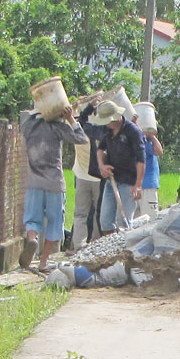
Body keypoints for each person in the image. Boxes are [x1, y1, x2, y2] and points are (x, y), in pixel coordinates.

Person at [18, 101, 89, 271]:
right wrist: (70, 118)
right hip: (54, 183)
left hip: (34, 180)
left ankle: (32, 238)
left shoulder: (28, 126)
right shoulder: (57, 127)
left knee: (32, 218)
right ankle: (43, 262)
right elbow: (81, 139)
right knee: (55, 222)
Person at [92, 99, 146, 233]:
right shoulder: (107, 129)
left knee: (124, 221)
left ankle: (124, 248)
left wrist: (138, 184)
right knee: (105, 221)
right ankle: (108, 248)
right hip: (112, 179)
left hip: (129, 180)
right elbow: (100, 149)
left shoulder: (132, 132)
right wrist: (101, 166)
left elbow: (141, 159)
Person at [69, 93, 106, 251]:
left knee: (80, 214)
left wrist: (76, 108)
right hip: (99, 178)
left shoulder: (79, 130)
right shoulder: (99, 131)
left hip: (82, 176)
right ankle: (96, 244)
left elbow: (72, 119)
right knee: (100, 212)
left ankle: (79, 245)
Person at [140, 123, 164, 220]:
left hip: (143, 183)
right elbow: (159, 151)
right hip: (147, 184)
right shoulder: (145, 142)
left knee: (142, 218)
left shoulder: (146, 142)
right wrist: (151, 136)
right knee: (150, 218)